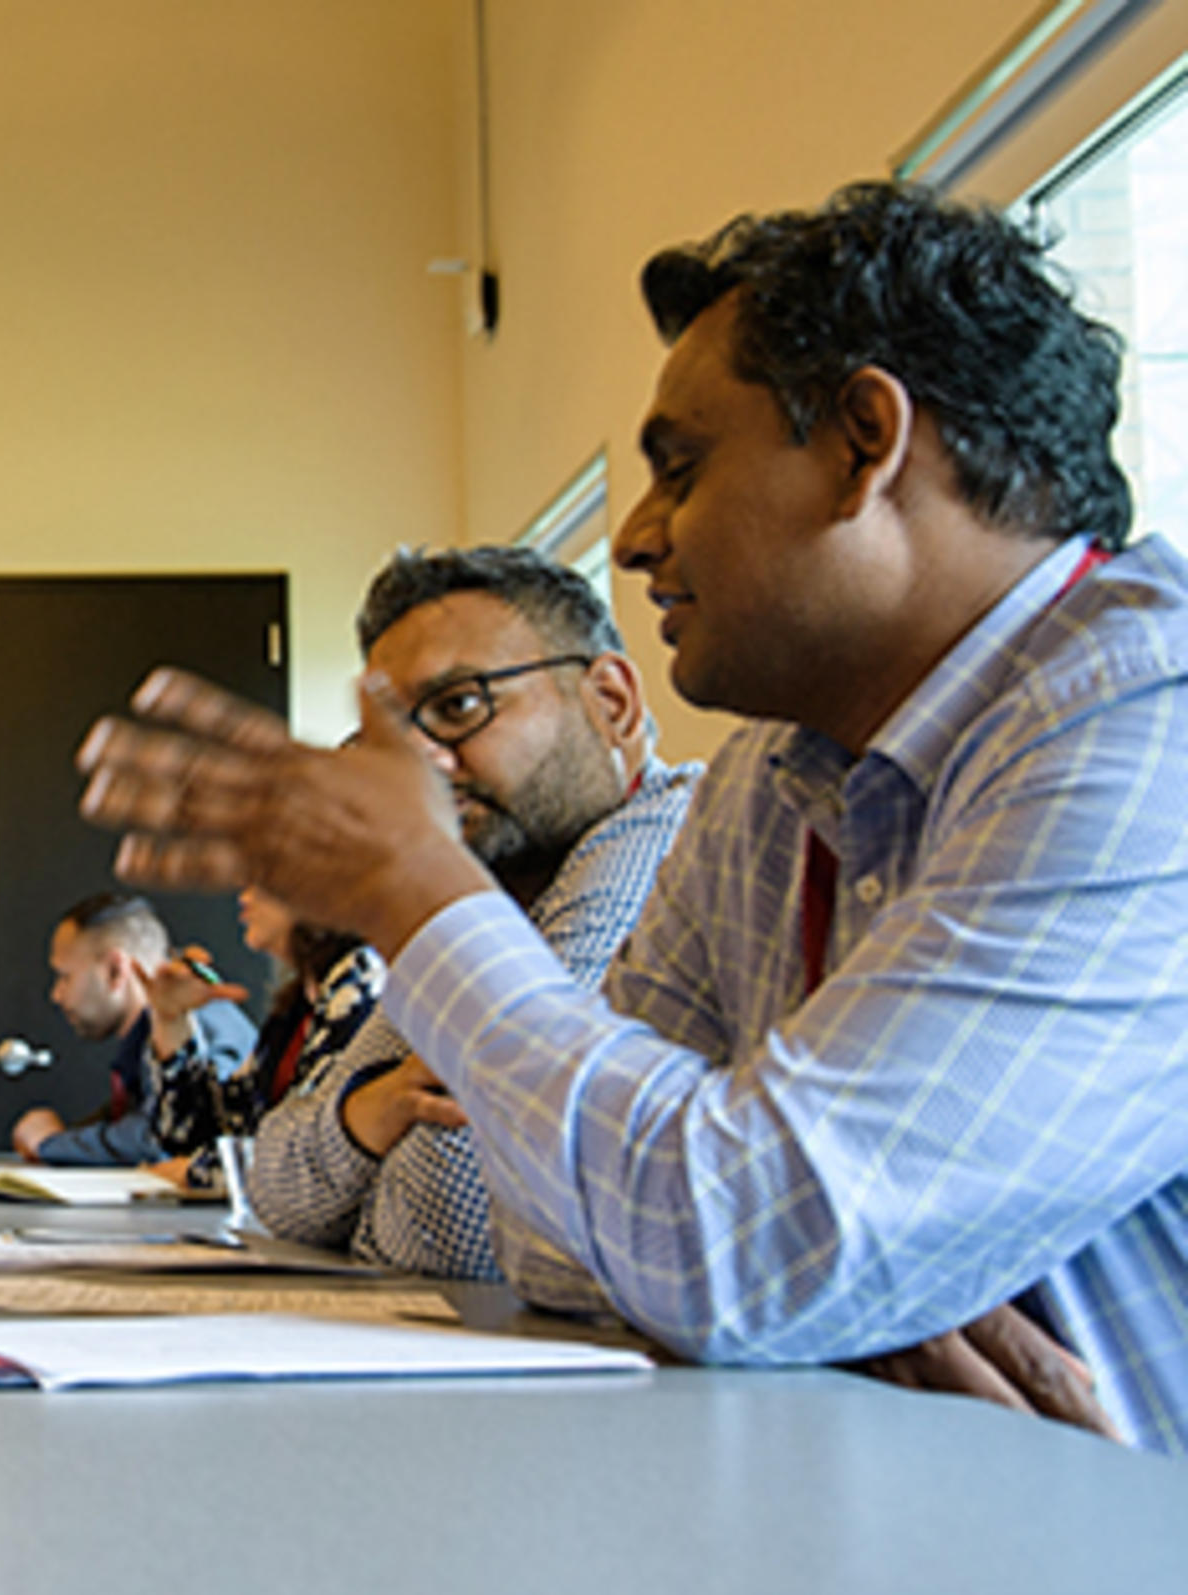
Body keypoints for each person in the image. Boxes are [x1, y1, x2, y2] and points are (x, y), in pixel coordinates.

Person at [76, 182, 1172, 1448]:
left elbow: (714, 1239)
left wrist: (415, 885)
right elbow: (553, 1227)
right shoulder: (775, 776)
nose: (640, 538)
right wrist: (816, 1280)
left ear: (868, 439)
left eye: (682, 469)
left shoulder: (1149, 729)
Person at [246, 547, 696, 1283]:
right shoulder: (490, 897)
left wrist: (364, 1155)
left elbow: (447, 1233)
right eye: (392, 737)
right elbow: (274, 1185)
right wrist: (379, 1105)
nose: (419, 767)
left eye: (460, 707)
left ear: (611, 704)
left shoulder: (668, 838)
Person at [141, 890, 377, 1191]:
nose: (244, 896)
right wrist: (170, 1018)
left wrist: (198, 1171)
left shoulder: (362, 984)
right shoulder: (297, 1006)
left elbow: (310, 1157)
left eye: (262, 877)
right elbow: (196, 1134)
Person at [9, 891, 257, 1166]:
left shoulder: (200, 1025)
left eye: (64, 976)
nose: (56, 994)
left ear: (116, 970)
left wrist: (51, 1144)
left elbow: (159, 1139)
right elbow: (135, 1120)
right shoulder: (143, 1047)